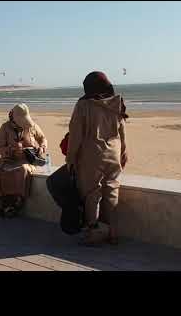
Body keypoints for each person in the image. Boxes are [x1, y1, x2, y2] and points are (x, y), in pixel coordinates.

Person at [66, 71, 128, 246]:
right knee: (112, 191)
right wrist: (123, 151)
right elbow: (122, 130)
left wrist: (70, 157)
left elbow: (75, 134)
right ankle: (113, 231)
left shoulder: (84, 105)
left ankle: (94, 232)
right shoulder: (117, 102)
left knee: (92, 192)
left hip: (92, 154)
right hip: (114, 152)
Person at [0, 103, 48, 218]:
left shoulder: (32, 126)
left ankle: (16, 204)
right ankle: (1, 204)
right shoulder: (5, 128)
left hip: (26, 160)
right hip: (9, 159)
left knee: (23, 170)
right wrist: (10, 149)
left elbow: (43, 138)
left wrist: (42, 147)